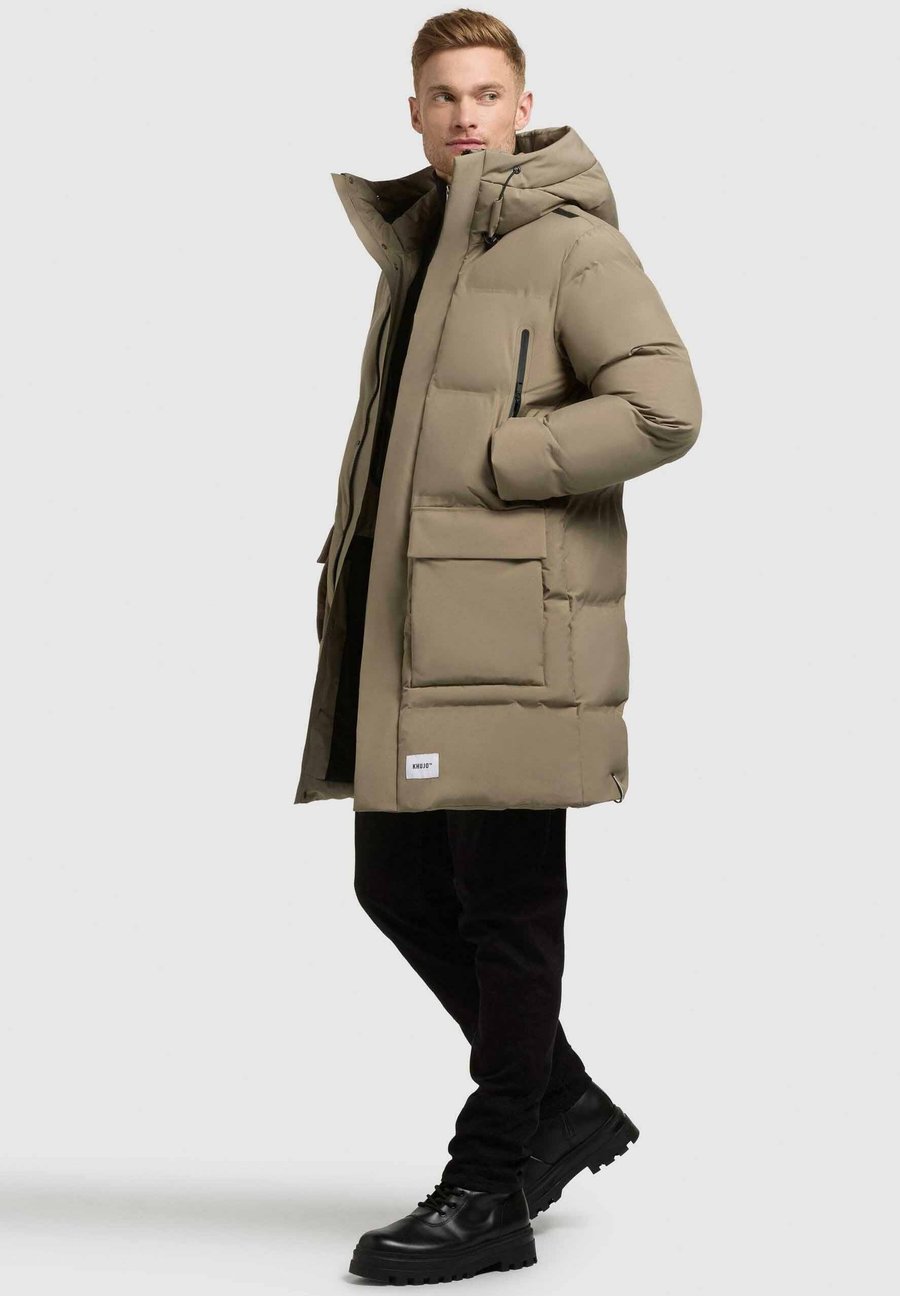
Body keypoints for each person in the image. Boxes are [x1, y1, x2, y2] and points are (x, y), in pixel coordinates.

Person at [293, 9, 702, 1285]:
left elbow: (666, 406)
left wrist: (506, 456)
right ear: (415, 113)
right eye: (442, 95)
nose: (465, 115)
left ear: (524, 107)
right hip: (417, 633)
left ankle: (490, 1183)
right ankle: (559, 1104)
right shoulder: (421, 251)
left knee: (509, 906)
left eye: (486, 93)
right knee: (397, 883)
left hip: (518, 641)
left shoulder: (572, 246)